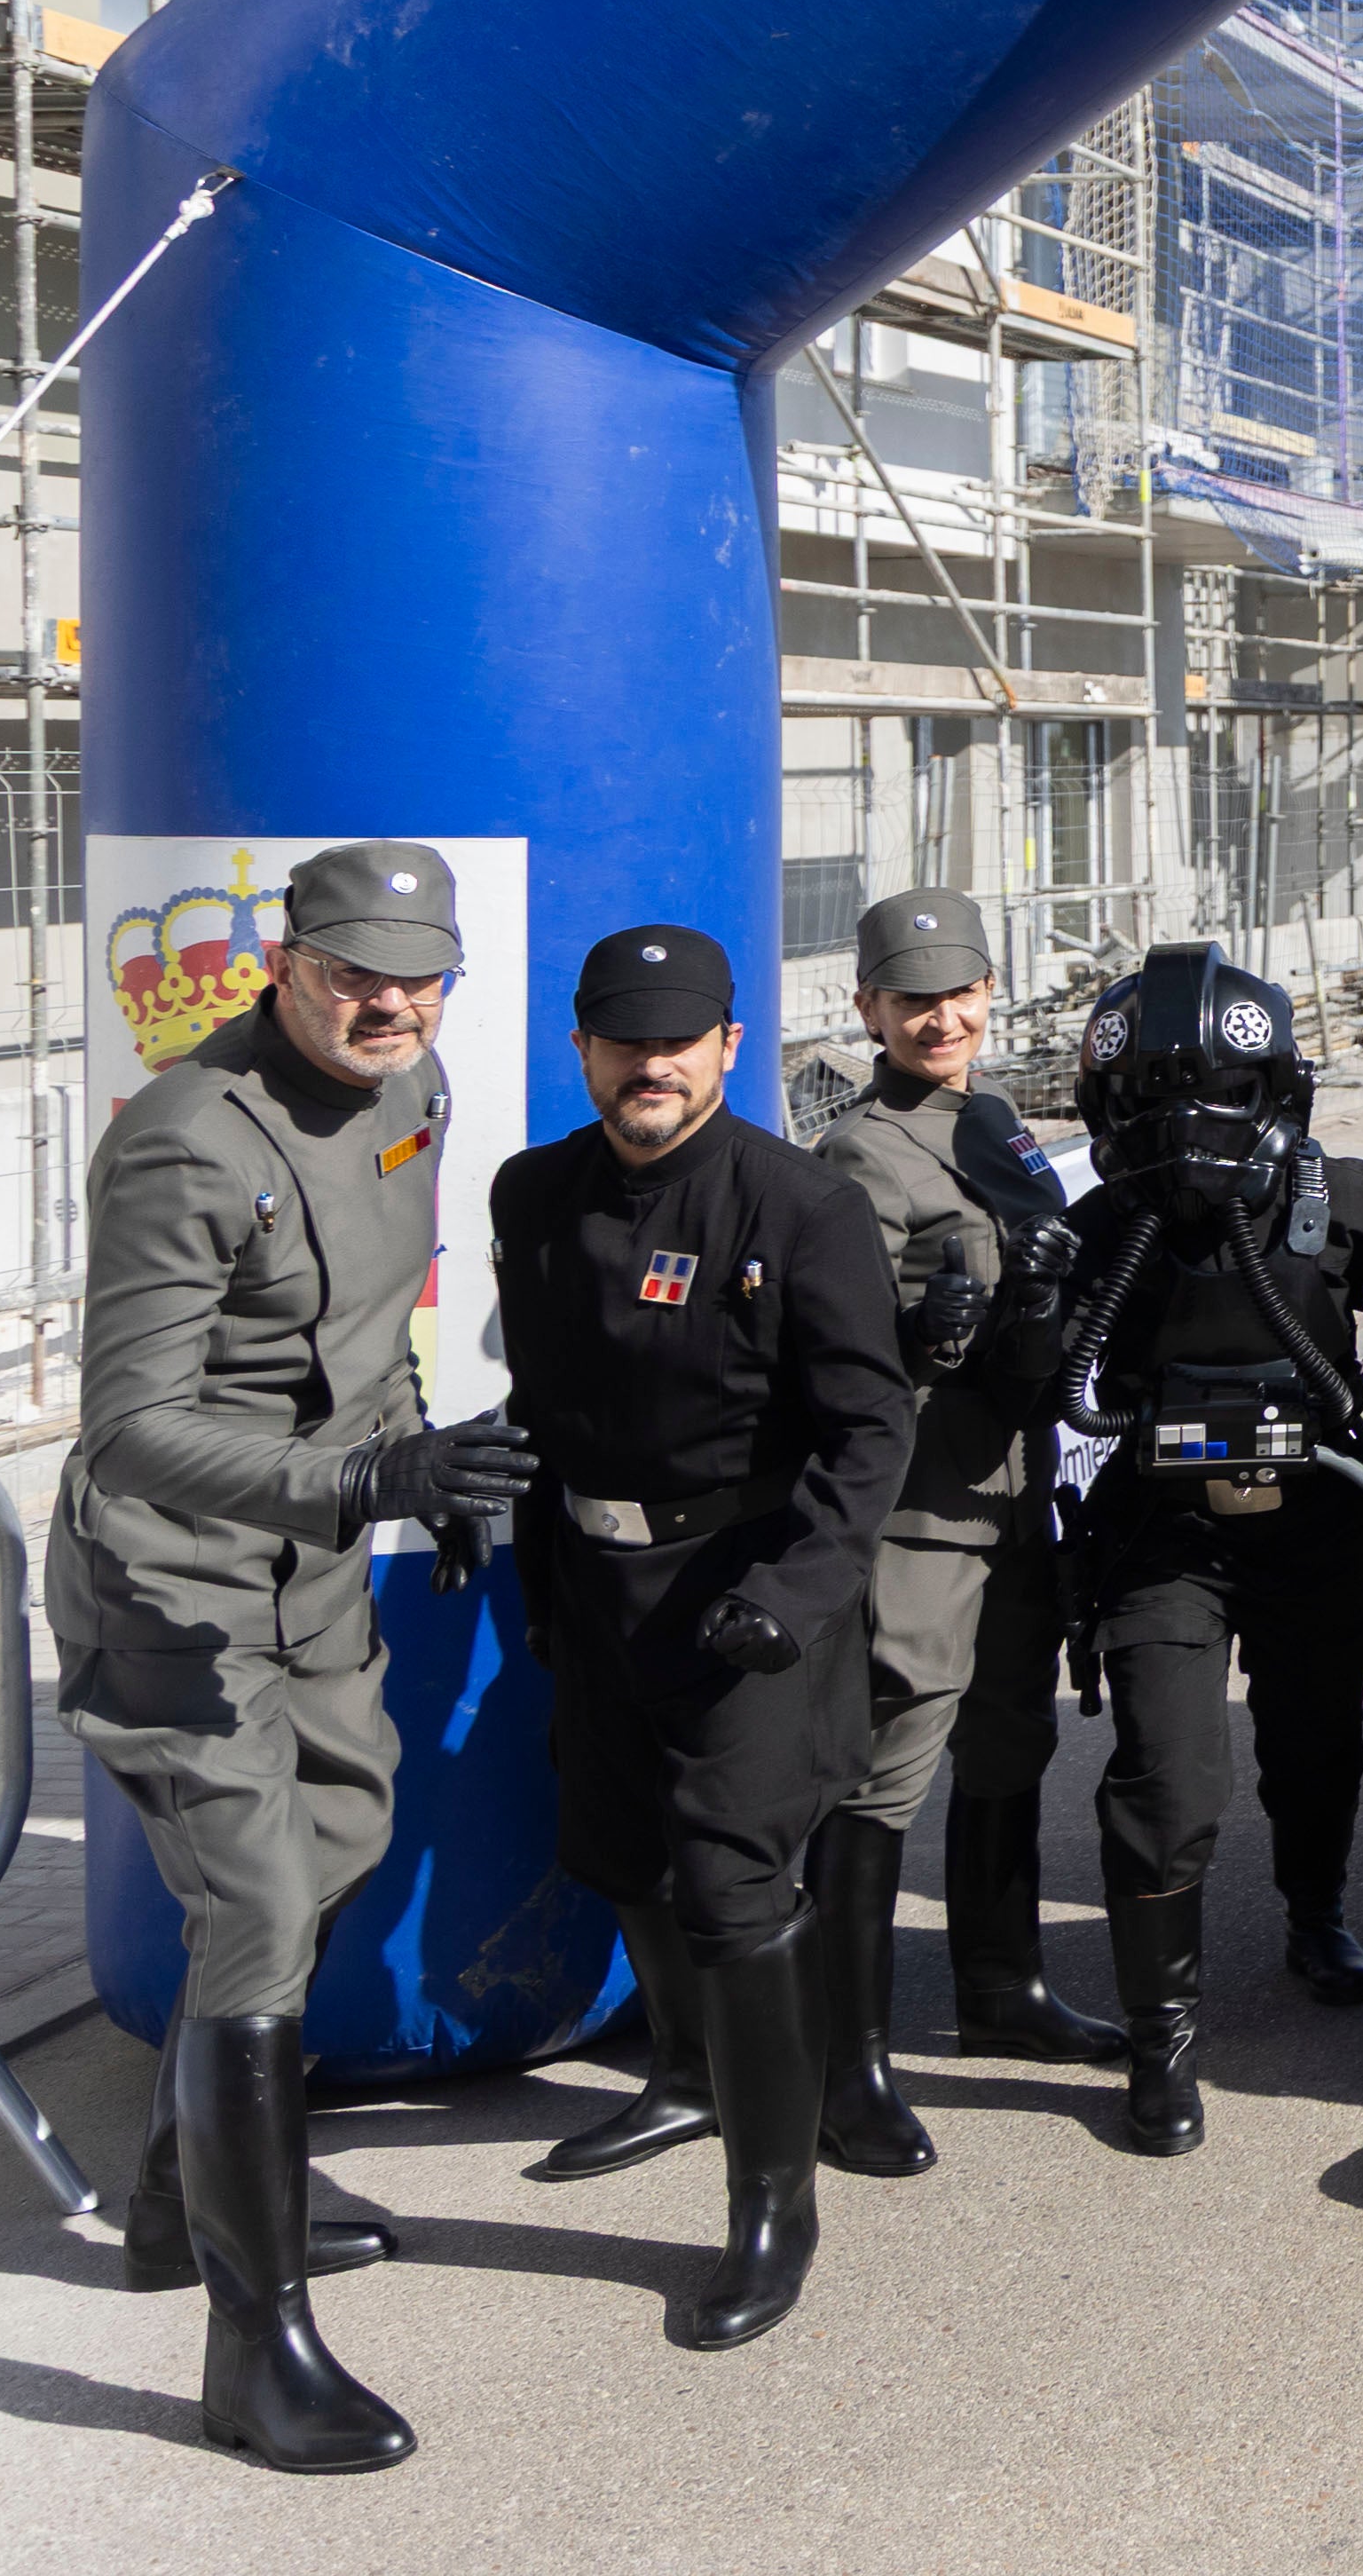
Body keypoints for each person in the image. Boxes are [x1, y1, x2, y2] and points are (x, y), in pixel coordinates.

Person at [55, 840, 522, 2475]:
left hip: (314, 1567)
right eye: (352, 974)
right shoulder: (190, 1141)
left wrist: (420, 1467)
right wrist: (358, 1482)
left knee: (344, 1836)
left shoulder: (418, 1084)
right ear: (287, 961)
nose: (388, 1004)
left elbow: (369, 1319)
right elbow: (130, 1428)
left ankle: (187, 2199)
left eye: (418, 977)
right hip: (174, 1583)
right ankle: (255, 2351)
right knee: (252, 1898)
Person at [490, 923, 910, 2354]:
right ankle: (679, 2077)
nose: (649, 1065)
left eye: (679, 1041)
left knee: (734, 1890)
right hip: (594, 1585)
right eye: (623, 1040)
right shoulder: (534, 1193)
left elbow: (870, 1428)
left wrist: (799, 1589)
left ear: (730, 1048)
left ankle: (773, 2207)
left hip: (746, 1597)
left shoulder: (797, 1207)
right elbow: (552, 1396)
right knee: (617, 1849)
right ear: (583, 1049)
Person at [1046, 944, 1363, 2153]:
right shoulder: (1101, 1227)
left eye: (1214, 1094)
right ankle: (1161, 2040)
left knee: (1317, 1742)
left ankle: (1317, 1908)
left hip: (1309, 1519)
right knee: (1167, 1776)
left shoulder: (1342, 1199)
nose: (1185, 1128)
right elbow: (1033, 1375)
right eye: (1151, 1100)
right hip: (1165, 1537)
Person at [800, 889, 1114, 2188]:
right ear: (868, 1010)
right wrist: (941, 1326)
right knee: (887, 1764)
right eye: (913, 999)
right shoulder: (858, 1152)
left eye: (962, 993)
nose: (943, 1018)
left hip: (1019, 1479)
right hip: (924, 1500)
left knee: (1009, 1736)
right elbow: (841, 1345)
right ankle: (845, 2062)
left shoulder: (994, 1123)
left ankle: (1001, 1984)